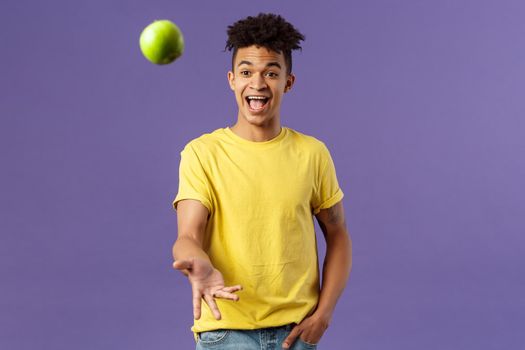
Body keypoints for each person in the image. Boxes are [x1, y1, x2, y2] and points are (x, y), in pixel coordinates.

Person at [172, 13, 352, 350]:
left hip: (296, 335)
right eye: (246, 72)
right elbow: (187, 236)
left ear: (288, 82)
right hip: (225, 334)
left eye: (271, 72)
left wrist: (323, 315)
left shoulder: (312, 153)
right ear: (231, 80)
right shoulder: (202, 153)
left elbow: (339, 236)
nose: (257, 83)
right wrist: (199, 265)